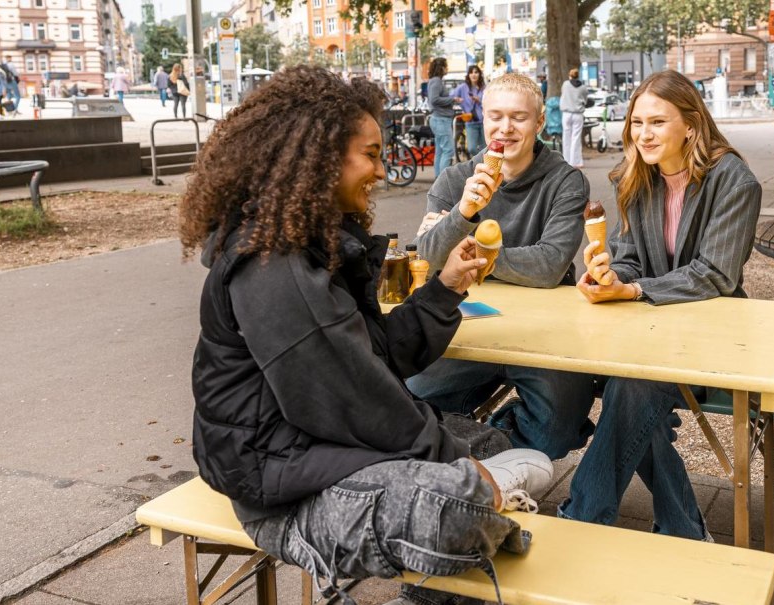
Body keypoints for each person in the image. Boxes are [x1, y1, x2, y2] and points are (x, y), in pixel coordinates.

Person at [179, 66, 554, 605]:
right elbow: (355, 397)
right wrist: (453, 464)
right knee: (460, 495)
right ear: (323, 159)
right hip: (280, 492)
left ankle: (443, 568)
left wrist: (444, 288)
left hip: (313, 451)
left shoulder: (316, 242)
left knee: (491, 446)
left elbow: (376, 358)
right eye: (372, 154)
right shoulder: (273, 267)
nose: (380, 170)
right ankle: (482, 508)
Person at [557, 70, 762, 541]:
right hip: (650, 330)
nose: (642, 134)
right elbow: (629, 258)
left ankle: (583, 519)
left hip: (713, 333)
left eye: (656, 122)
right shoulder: (637, 177)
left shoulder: (733, 181)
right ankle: (685, 529)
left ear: (690, 125)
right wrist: (610, 276)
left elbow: (716, 273)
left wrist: (632, 292)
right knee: (627, 392)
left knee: (629, 387)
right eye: (636, 122)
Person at [408, 72, 596, 461]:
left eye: (519, 117)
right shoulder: (455, 179)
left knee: (557, 432)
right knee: (408, 398)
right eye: (495, 116)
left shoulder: (565, 183)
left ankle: (495, 440)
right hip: (470, 324)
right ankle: (483, 457)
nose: (505, 128)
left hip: (546, 331)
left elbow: (548, 266)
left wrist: (468, 256)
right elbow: (428, 256)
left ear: (540, 122)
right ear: (483, 116)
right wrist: (465, 210)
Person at [425, 57, 457, 176]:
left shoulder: (434, 81)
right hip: (441, 119)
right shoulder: (436, 81)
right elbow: (434, 99)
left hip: (438, 119)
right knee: (448, 150)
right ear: (441, 68)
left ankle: (438, 179)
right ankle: (443, 180)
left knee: (440, 151)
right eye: (446, 66)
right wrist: (451, 99)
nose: (447, 69)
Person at [454, 65, 486, 157]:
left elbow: (490, 102)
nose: (474, 74)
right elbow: (452, 96)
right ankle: (480, 160)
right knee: (471, 148)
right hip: (471, 122)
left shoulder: (484, 88)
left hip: (484, 121)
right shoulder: (463, 87)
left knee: (485, 147)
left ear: (479, 74)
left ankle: (484, 166)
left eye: (476, 72)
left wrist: (479, 100)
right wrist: (457, 100)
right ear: (468, 75)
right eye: (471, 72)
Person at [560, 67, 588, 168]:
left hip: (566, 113)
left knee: (566, 137)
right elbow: (585, 99)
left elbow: (563, 94)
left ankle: (566, 160)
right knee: (576, 138)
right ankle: (576, 162)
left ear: (570, 75)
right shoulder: (583, 87)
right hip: (578, 114)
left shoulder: (565, 84)